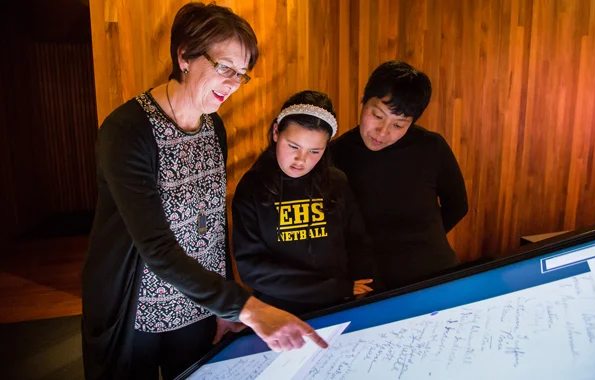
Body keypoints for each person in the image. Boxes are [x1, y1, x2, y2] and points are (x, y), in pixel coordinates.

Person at [81, 4, 326, 380]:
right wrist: (248, 307)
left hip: (198, 306)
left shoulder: (214, 127)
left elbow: (210, 227)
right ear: (184, 56)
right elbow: (156, 247)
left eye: (242, 74)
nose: (231, 83)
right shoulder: (127, 132)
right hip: (138, 311)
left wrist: (224, 307)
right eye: (223, 66)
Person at [232, 90, 380, 316]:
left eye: (314, 151)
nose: (301, 160)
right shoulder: (252, 187)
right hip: (279, 314)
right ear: (275, 132)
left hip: (340, 307)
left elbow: (358, 242)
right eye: (293, 146)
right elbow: (253, 269)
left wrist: (363, 291)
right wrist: (334, 288)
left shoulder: (337, 182)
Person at [330, 60, 469, 290]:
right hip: (370, 286)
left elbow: (458, 205)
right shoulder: (335, 155)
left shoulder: (431, 147)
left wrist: (424, 239)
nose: (382, 132)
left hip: (435, 275)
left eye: (399, 125)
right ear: (363, 98)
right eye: (377, 116)